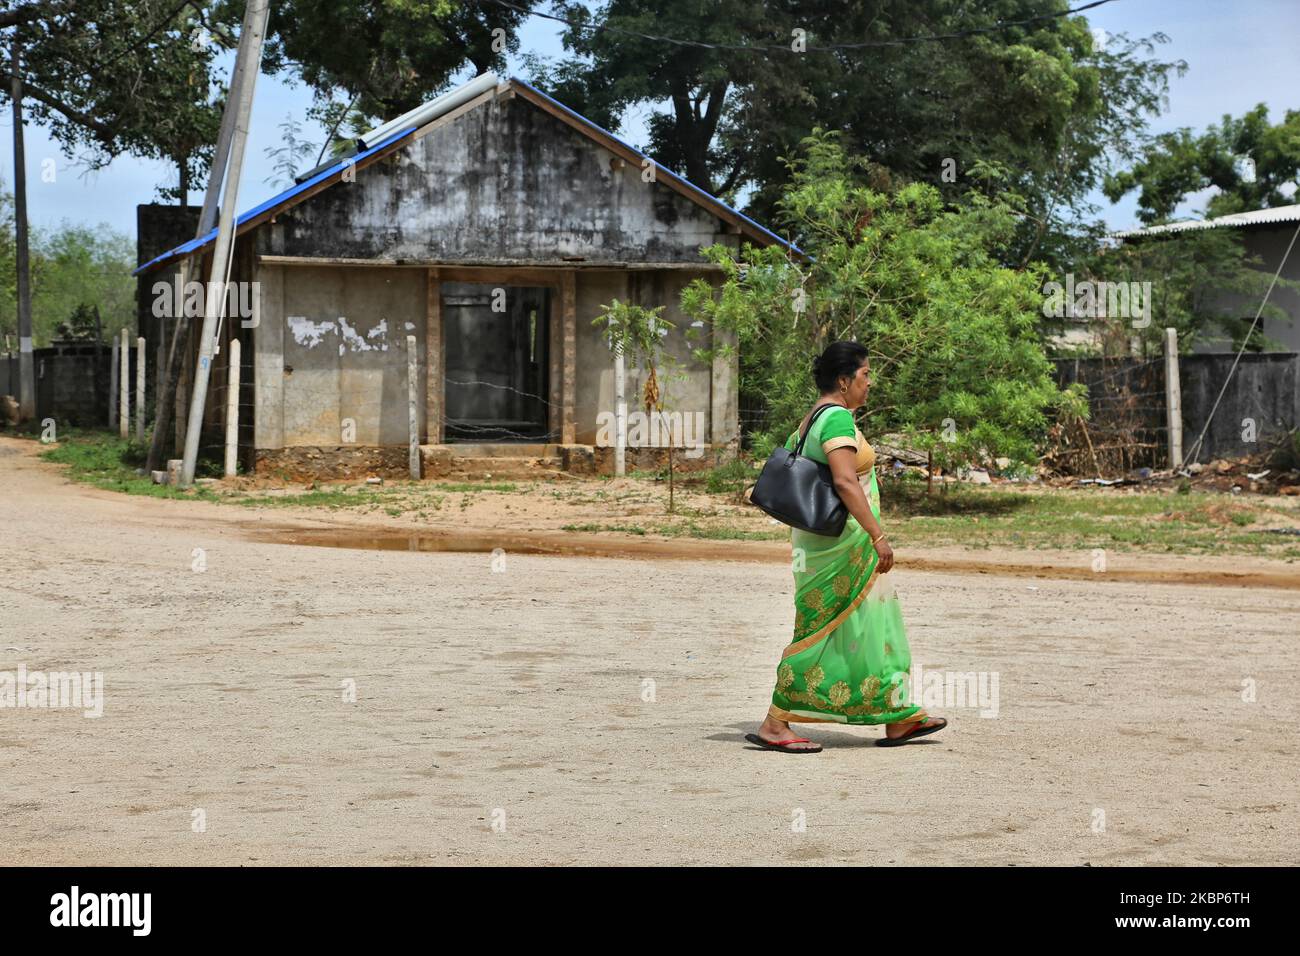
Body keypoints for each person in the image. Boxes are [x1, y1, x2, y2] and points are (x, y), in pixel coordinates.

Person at [746, 341, 948, 752]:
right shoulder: (836, 418)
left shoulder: (811, 419)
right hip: (842, 548)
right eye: (865, 375)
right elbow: (844, 481)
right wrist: (878, 535)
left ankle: (897, 715)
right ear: (843, 381)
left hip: (826, 545)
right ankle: (775, 722)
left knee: (874, 627)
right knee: (821, 631)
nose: (870, 383)